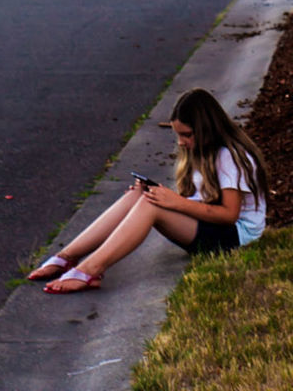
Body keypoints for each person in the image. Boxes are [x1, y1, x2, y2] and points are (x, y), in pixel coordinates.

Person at [29, 87, 268, 293]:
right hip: (214, 229)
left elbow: (229, 215)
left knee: (150, 204)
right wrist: (163, 196)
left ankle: (90, 270)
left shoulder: (229, 156)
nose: (181, 142)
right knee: (140, 194)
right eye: (178, 135)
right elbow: (201, 199)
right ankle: (66, 257)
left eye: (187, 135)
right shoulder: (203, 151)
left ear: (207, 129)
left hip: (236, 238)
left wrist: (175, 202)